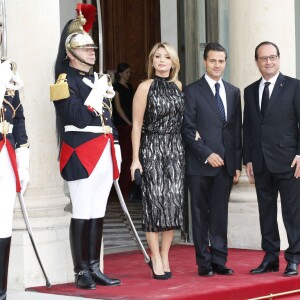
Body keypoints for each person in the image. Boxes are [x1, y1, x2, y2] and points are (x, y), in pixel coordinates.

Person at [51, 3, 121, 289]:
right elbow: (77, 117)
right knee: (82, 209)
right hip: (81, 151)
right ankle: (81, 271)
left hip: (104, 149)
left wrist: (115, 143)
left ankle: (95, 266)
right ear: (70, 52)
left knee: (98, 211)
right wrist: (97, 89)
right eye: (86, 48)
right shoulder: (63, 81)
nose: (93, 52)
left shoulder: (96, 80)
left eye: (93, 48)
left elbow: (108, 118)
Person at [181, 42, 242, 277]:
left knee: (219, 215)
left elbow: (235, 131)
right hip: (200, 165)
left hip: (226, 166)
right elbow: (187, 129)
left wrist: (236, 163)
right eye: (213, 60)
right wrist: (207, 154)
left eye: (221, 61)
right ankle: (204, 263)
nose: (217, 65)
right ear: (205, 62)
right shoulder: (191, 91)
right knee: (200, 215)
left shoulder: (233, 92)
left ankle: (219, 260)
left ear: (225, 62)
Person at [243, 41, 300, 277]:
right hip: (260, 162)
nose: (268, 62)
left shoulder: (295, 87)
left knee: (292, 212)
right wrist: (247, 159)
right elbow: (249, 127)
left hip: (289, 161)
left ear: (279, 58)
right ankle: (270, 257)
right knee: (265, 211)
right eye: (263, 58)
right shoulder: (249, 90)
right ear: (257, 62)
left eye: (272, 57)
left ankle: (294, 258)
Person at [130, 42, 184, 280]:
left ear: (173, 62)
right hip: (151, 148)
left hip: (175, 149)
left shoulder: (178, 86)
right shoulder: (145, 87)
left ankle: (165, 255)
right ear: (152, 61)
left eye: (167, 57)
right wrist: (135, 160)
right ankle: (155, 256)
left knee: (172, 203)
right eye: (158, 57)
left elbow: (184, 120)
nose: (162, 60)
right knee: (153, 205)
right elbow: (137, 125)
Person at [0, 60, 30, 299]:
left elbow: (18, 120)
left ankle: (1, 288)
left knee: (3, 219)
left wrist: (23, 162)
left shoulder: (8, 75)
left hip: (6, 153)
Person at [112, 63, 140, 200]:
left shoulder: (130, 87)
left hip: (131, 124)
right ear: (120, 73)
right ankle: (121, 190)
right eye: (127, 72)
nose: (129, 75)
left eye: (129, 72)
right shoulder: (115, 88)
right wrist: (129, 122)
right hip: (122, 126)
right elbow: (118, 108)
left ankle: (131, 189)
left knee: (130, 156)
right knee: (124, 156)